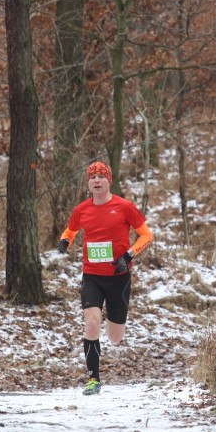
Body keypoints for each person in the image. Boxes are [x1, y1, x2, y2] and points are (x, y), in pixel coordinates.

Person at [57, 161, 153, 395]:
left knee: (115, 337)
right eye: (92, 177)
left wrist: (128, 255)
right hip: (92, 276)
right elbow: (71, 230)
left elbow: (146, 235)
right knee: (91, 324)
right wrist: (64, 241)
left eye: (101, 176)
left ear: (109, 180)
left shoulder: (124, 206)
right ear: (88, 183)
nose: (97, 181)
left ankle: (114, 317)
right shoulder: (82, 210)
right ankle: (93, 379)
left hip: (118, 277)